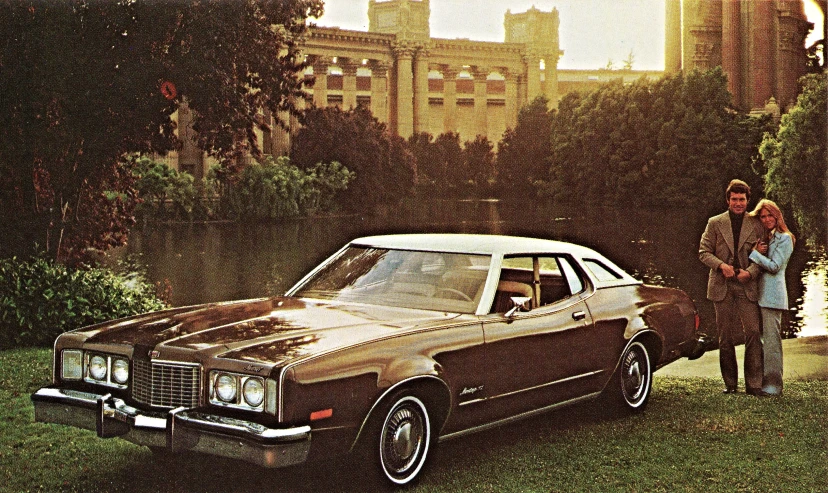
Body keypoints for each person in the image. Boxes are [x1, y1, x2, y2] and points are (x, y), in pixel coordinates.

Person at [699, 179, 765, 396]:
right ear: (728, 200)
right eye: (734, 199)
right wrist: (721, 266)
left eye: (742, 199)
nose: (738, 203)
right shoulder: (714, 223)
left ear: (748, 201)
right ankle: (730, 385)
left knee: (753, 332)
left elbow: (764, 255)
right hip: (721, 285)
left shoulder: (756, 224)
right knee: (724, 336)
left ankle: (754, 385)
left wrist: (751, 272)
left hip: (747, 285)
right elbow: (703, 252)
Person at [748, 199, 795, 396]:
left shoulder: (785, 238)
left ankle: (774, 386)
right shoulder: (768, 237)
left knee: (772, 343)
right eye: (763, 216)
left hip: (773, 297)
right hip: (760, 295)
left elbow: (775, 266)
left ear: (777, 217)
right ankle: (761, 382)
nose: (767, 219)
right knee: (763, 340)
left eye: (770, 215)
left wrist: (754, 254)